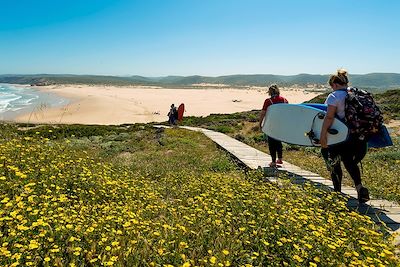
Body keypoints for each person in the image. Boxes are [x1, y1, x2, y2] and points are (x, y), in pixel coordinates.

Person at [320, 68, 369, 203]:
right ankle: (359, 187)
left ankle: (337, 192)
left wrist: (323, 135)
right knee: (349, 162)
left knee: (333, 161)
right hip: (358, 136)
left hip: (340, 136)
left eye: (332, 87)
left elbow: (329, 118)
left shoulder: (334, 96)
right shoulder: (357, 93)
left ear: (334, 84)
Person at [259, 84, 288, 167]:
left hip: (271, 125)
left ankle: (273, 161)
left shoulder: (268, 101)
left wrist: (260, 123)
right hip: (281, 124)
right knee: (279, 142)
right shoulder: (284, 100)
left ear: (270, 92)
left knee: (272, 143)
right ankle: (280, 159)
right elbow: (287, 112)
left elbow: (263, 113)